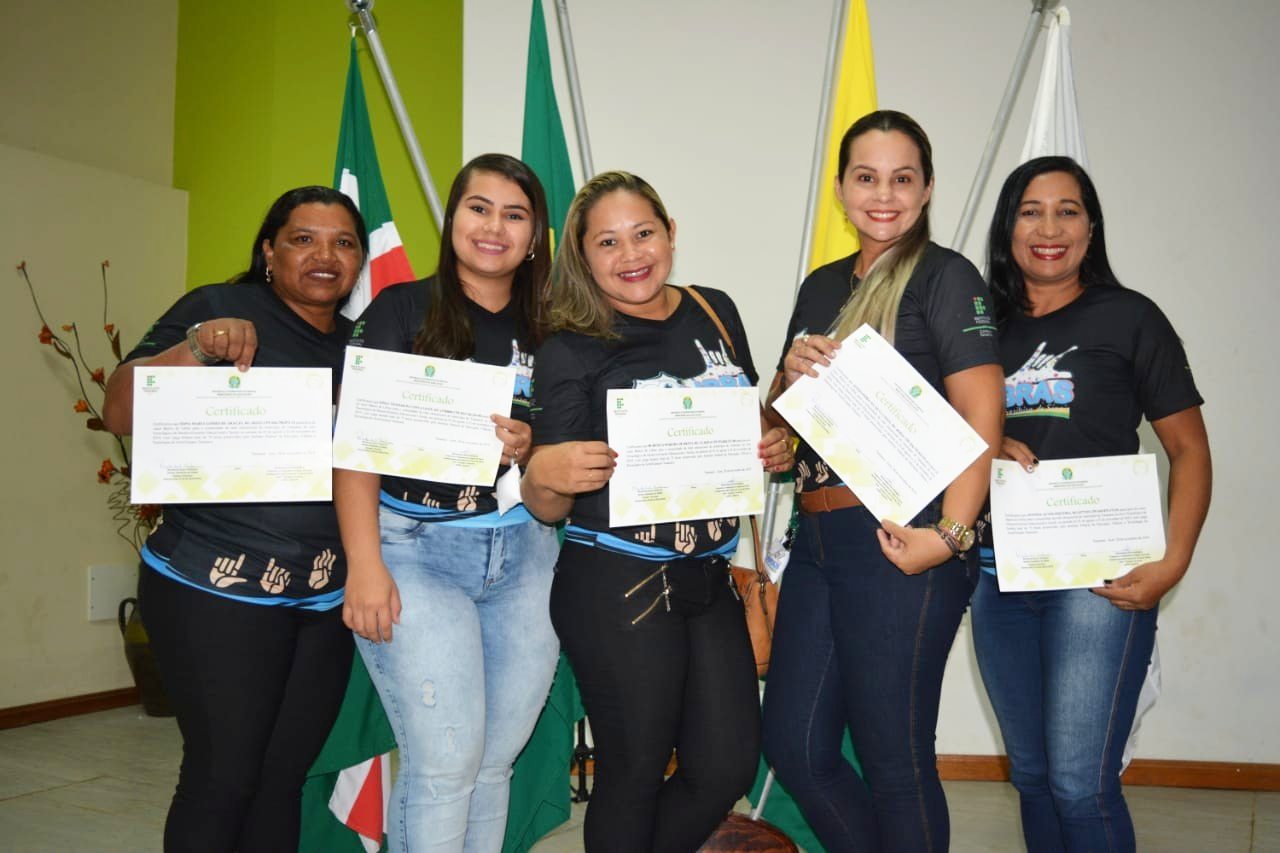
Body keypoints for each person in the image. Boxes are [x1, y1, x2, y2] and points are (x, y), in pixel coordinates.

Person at [521, 170, 794, 852]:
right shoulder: (569, 347)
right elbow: (545, 502)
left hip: (709, 573)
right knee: (634, 770)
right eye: (607, 242)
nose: (630, 253)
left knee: (726, 764)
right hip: (616, 579)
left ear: (671, 232)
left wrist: (773, 440)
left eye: (643, 232)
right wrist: (546, 474)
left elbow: (748, 413)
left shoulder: (713, 308)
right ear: (583, 256)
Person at [759, 110, 1005, 852]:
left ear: (927, 189)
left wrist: (950, 536)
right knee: (795, 745)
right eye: (866, 177)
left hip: (908, 536)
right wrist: (784, 382)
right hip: (819, 538)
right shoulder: (821, 285)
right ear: (840, 189)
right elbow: (783, 420)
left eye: (903, 178)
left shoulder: (946, 277)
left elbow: (983, 417)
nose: (884, 195)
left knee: (895, 761)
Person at [101, 186, 368, 852]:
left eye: (343, 242)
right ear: (268, 251)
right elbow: (119, 410)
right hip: (211, 589)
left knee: (282, 781)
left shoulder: (364, 348)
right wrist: (196, 349)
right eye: (304, 239)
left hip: (324, 600)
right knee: (223, 776)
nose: (325, 256)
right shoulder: (218, 308)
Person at [970, 156, 1212, 852]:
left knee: (1080, 783)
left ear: (1091, 227)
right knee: (1033, 776)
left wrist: (1173, 562)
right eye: (1031, 212)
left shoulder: (1131, 318)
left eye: (1067, 211)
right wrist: (987, 443)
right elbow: (947, 432)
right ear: (1008, 227)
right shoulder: (979, 327)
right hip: (997, 575)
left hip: (1099, 581)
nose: (1049, 229)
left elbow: (1190, 451)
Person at [335, 153, 561, 853]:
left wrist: (533, 444)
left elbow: (572, 443)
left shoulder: (556, 327)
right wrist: (364, 564)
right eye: (479, 208)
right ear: (453, 217)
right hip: (415, 550)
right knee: (444, 766)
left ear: (535, 236)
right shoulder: (401, 309)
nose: (494, 227)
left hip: (525, 551)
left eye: (514, 215)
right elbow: (354, 447)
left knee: (493, 764)